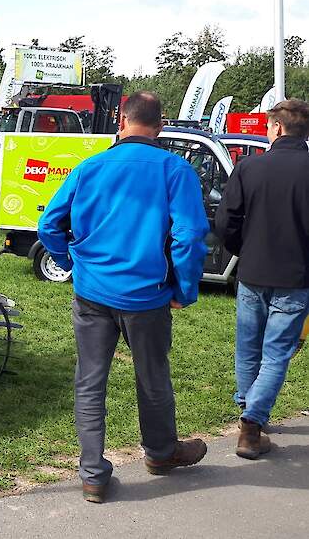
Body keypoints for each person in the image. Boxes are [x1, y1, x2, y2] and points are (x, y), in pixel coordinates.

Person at [37, 91, 210, 503]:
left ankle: (93, 474)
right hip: (147, 297)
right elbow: (189, 236)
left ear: (121, 120)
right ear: (161, 123)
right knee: (152, 378)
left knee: (90, 381)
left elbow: (49, 225)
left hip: (92, 293)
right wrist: (183, 290)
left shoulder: (90, 166)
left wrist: (72, 263)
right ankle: (161, 453)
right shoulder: (175, 169)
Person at [214, 99, 309, 460]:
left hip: (252, 271)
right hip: (297, 275)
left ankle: (248, 411)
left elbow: (226, 223)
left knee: (249, 344)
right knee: (277, 352)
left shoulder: (249, 167)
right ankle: (251, 420)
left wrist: (245, 248)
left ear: (278, 128)